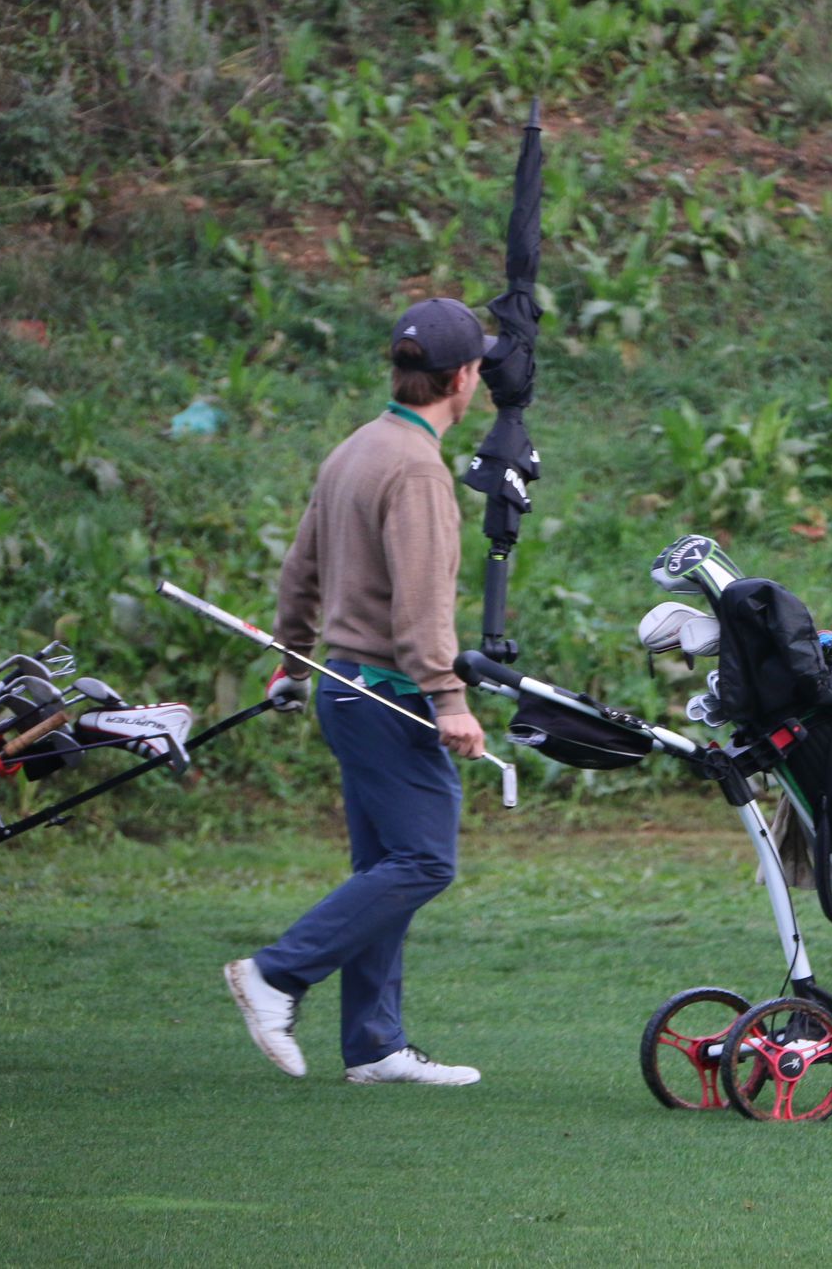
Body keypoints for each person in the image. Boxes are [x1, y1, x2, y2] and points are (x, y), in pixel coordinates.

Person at [222, 297, 491, 1085]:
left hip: (343, 688)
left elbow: (300, 572)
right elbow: (420, 608)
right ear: (462, 378)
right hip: (388, 695)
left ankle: (374, 1045)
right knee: (423, 861)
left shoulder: (355, 448)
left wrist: (293, 663)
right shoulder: (415, 469)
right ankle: (276, 974)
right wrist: (449, 698)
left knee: (385, 866)